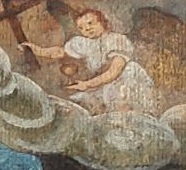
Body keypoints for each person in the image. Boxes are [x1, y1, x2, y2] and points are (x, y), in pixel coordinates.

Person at [22, 7, 160, 114]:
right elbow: (59, 52)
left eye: (90, 23)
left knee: (122, 108)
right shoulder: (83, 43)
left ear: (103, 22)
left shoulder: (117, 40)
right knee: (80, 104)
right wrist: (37, 50)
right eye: (81, 27)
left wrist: (87, 85)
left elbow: (114, 71)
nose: (87, 29)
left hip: (125, 80)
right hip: (101, 83)